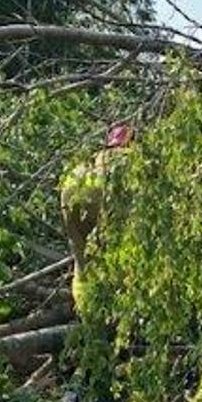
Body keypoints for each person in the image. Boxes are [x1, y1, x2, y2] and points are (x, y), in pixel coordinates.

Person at [58, 123, 134, 310]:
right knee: (122, 252)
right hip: (102, 193)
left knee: (82, 255)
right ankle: (118, 311)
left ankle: (86, 309)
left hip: (71, 188)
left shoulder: (90, 160)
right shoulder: (132, 160)